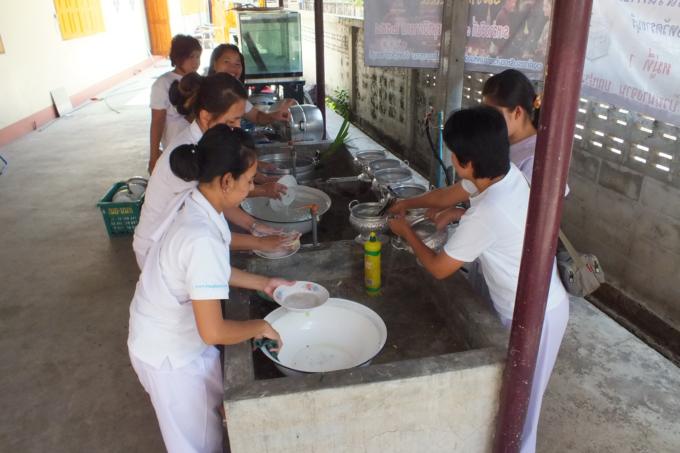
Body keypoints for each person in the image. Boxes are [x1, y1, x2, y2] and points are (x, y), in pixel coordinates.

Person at [388, 106, 569, 453]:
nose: (450, 159)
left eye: (452, 154)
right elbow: (449, 194)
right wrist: (408, 203)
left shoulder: (488, 211)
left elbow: (440, 268)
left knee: (521, 414)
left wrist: (406, 232)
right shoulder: (504, 173)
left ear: (467, 162)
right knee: (508, 402)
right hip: (530, 304)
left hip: (538, 316)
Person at [128, 125, 291, 453]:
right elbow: (214, 331)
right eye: (249, 180)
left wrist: (263, 283)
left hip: (176, 337)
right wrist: (260, 326)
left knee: (213, 422)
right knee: (198, 445)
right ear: (227, 180)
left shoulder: (197, 204)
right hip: (170, 357)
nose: (251, 188)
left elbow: (207, 272)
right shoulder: (200, 236)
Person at [134, 73, 290, 269]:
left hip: (177, 242)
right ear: (205, 116)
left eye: (240, 120)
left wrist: (254, 226)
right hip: (158, 247)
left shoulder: (210, 142)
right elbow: (206, 231)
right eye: (231, 122)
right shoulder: (189, 156)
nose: (237, 128)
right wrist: (259, 242)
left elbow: (216, 199)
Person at [149, 34, 202, 173]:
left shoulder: (201, 81)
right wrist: (154, 156)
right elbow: (157, 121)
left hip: (200, 148)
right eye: (191, 57)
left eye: (198, 57)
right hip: (175, 151)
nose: (196, 62)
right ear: (178, 58)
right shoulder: (163, 83)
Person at [207, 44, 295, 125]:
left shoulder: (236, 96)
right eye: (226, 61)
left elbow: (256, 116)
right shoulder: (205, 93)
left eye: (237, 64)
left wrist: (275, 116)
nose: (233, 68)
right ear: (214, 64)